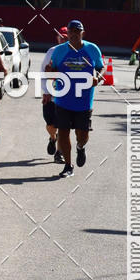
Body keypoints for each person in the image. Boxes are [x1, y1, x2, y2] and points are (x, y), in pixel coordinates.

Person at [45, 19, 105, 178]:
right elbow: (53, 70)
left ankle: (80, 147)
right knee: (63, 132)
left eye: (76, 32)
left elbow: (100, 67)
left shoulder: (92, 49)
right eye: (70, 32)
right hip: (62, 99)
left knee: (82, 135)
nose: (73, 35)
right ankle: (68, 165)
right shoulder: (59, 51)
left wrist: (97, 78)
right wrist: (50, 72)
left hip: (84, 101)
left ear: (82, 33)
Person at [40, 26, 67, 164]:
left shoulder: (74, 52)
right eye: (61, 37)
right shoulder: (51, 52)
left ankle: (59, 153)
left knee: (63, 125)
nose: (63, 39)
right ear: (57, 38)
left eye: (65, 37)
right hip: (51, 93)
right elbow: (43, 72)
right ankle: (52, 138)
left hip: (66, 96)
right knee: (50, 124)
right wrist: (45, 91)